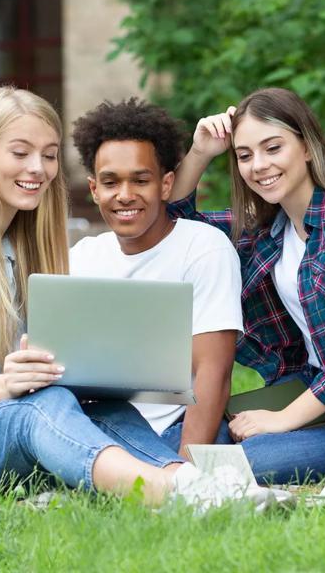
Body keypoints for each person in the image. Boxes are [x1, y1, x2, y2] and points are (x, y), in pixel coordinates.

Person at [0, 87, 249, 508]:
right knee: (45, 405)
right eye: (20, 153)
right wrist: (2, 385)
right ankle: (166, 494)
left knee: (99, 404)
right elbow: (9, 390)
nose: (38, 168)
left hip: (0, 422)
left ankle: (190, 482)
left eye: (48, 155)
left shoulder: (25, 248)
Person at [168, 87, 325, 483]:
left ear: (308, 148)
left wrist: (282, 420)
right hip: (304, 391)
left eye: (272, 148)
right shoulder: (267, 229)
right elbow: (177, 223)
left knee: (233, 465)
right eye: (245, 155)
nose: (259, 165)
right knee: (185, 440)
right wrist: (200, 153)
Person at [69, 98, 242, 457]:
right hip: (93, 422)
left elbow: (214, 371)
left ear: (165, 185)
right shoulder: (82, 257)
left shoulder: (203, 246)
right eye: (110, 182)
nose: (125, 195)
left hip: (171, 429)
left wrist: (184, 466)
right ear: (94, 189)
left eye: (140, 180)